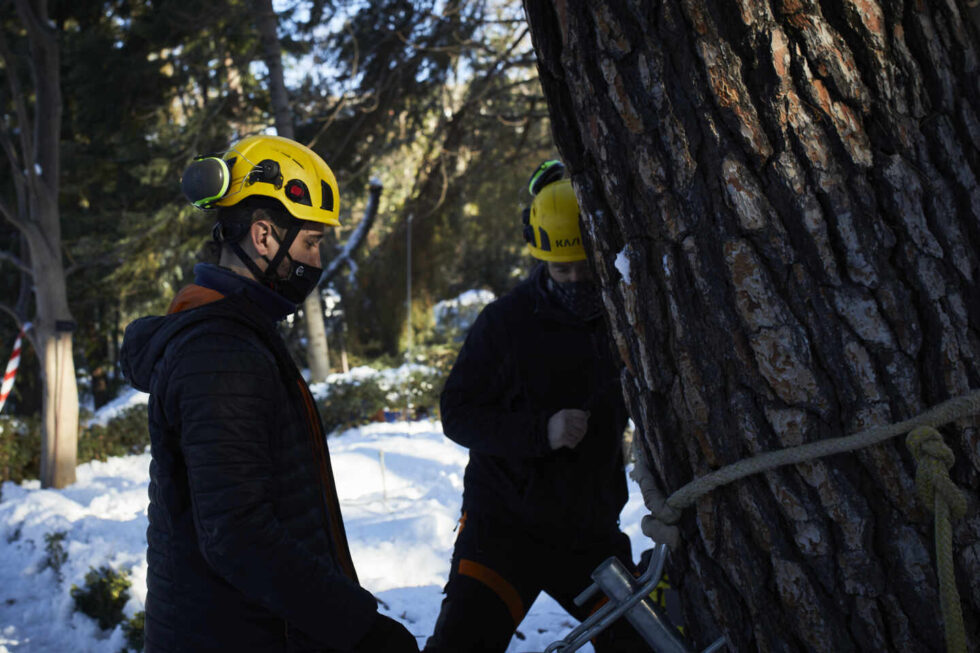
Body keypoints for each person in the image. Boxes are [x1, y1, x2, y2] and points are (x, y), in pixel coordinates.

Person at [120, 135, 419, 653]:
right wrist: (357, 627)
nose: (316, 259)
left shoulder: (239, 336)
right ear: (263, 236)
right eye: (310, 242)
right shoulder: (219, 352)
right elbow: (238, 534)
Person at [423, 160, 650, 652]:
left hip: (588, 538)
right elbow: (457, 413)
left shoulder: (628, 321)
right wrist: (540, 432)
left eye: (584, 268)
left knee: (646, 645)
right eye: (560, 269)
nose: (573, 281)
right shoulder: (504, 323)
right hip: (501, 531)